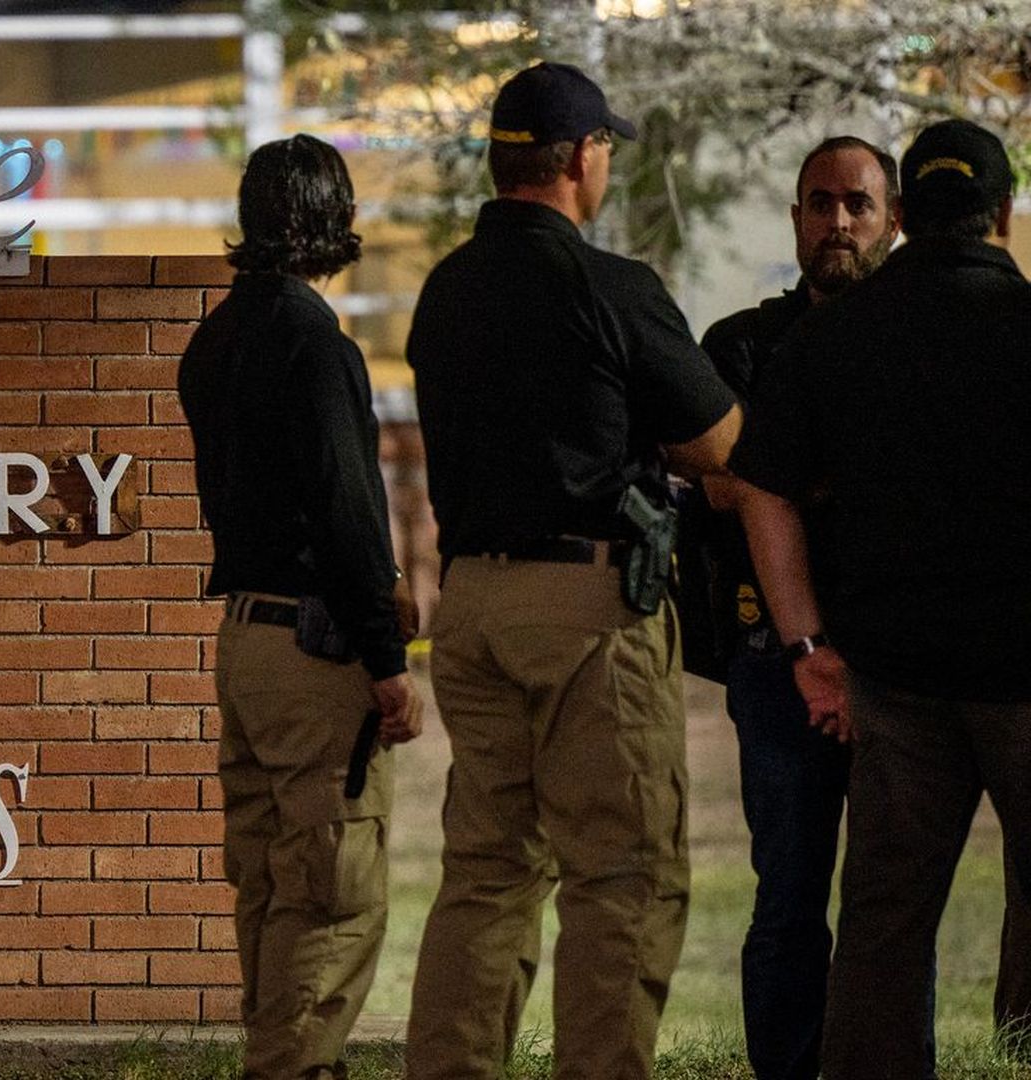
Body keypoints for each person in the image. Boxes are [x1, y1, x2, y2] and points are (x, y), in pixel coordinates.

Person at [401, 62, 741, 1080]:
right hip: (586, 609)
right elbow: (721, 444)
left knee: (486, 873)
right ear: (584, 158)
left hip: (471, 606)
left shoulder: (446, 289)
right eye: (604, 151)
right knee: (621, 875)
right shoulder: (612, 287)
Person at [728, 118, 1031, 1079]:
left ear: (901, 216)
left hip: (893, 686)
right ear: (1005, 215)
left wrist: (806, 642)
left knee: (884, 929)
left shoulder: (835, 336)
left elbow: (763, 488)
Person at [178, 133, 424, 1080]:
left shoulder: (216, 338)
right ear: (335, 219)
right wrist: (387, 662)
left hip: (243, 635)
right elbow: (349, 512)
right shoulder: (315, 346)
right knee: (332, 885)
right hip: (317, 648)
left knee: (270, 877)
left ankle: (275, 1054)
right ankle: (294, 1066)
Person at [696, 136, 900, 1080]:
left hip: (905, 661)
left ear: (893, 220)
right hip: (777, 661)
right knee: (788, 895)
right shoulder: (741, 346)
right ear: (794, 218)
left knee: (895, 899)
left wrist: (780, 482)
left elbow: (761, 481)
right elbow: (721, 483)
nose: (839, 224)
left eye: (858, 205)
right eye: (820, 204)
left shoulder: (916, 338)